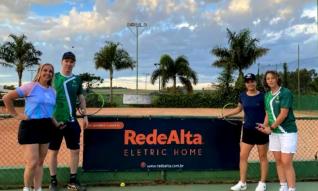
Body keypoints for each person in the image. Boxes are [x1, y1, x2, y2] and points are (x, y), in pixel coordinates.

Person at [3, 63, 56, 191]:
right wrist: (17, 115)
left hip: (46, 126)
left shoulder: (53, 91)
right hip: (31, 126)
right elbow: (7, 98)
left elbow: (49, 111)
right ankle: (27, 188)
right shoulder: (30, 87)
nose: (47, 73)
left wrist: (56, 122)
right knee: (32, 162)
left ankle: (38, 188)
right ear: (39, 72)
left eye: (50, 71)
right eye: (45, 70)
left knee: (40, 162)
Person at [220, 73, 268, 191]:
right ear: (245, 84)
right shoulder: (242, 95)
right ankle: (242, 183)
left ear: (256, 82)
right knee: (242, 156)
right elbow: (239, 109)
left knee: (262, 157)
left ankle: (262, 183)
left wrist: (265, 126)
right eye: (248, 81)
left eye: (252, 81)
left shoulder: (263, 96)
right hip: (247, 131)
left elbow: (268, 113)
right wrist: (225, 114)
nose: (250, 83)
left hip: (261, 131)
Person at [48, 52, 88, 191]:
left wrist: (85, 114)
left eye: (72, 61)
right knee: (53, 151)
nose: (69, 63)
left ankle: (72, 181)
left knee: (75, 151)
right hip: (54, 122)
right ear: (61, 62)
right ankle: (53, 181)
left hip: (72, 121)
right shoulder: (53, 78)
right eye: (66, 60)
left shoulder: (77, 79)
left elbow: (81, 97)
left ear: (74, 63)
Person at [256, 71, 297, 191]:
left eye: (272, 78)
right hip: (274, 134)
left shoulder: (285, 93)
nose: (270, 80)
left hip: (287, 132)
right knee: (278, 161)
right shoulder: (267, 95)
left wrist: (271, 128)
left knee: (286, 162)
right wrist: (264, 126)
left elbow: (283, 114)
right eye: (268, 78)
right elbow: (268, 113)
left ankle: (292, 188)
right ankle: (283, 186)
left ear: (277, 79)